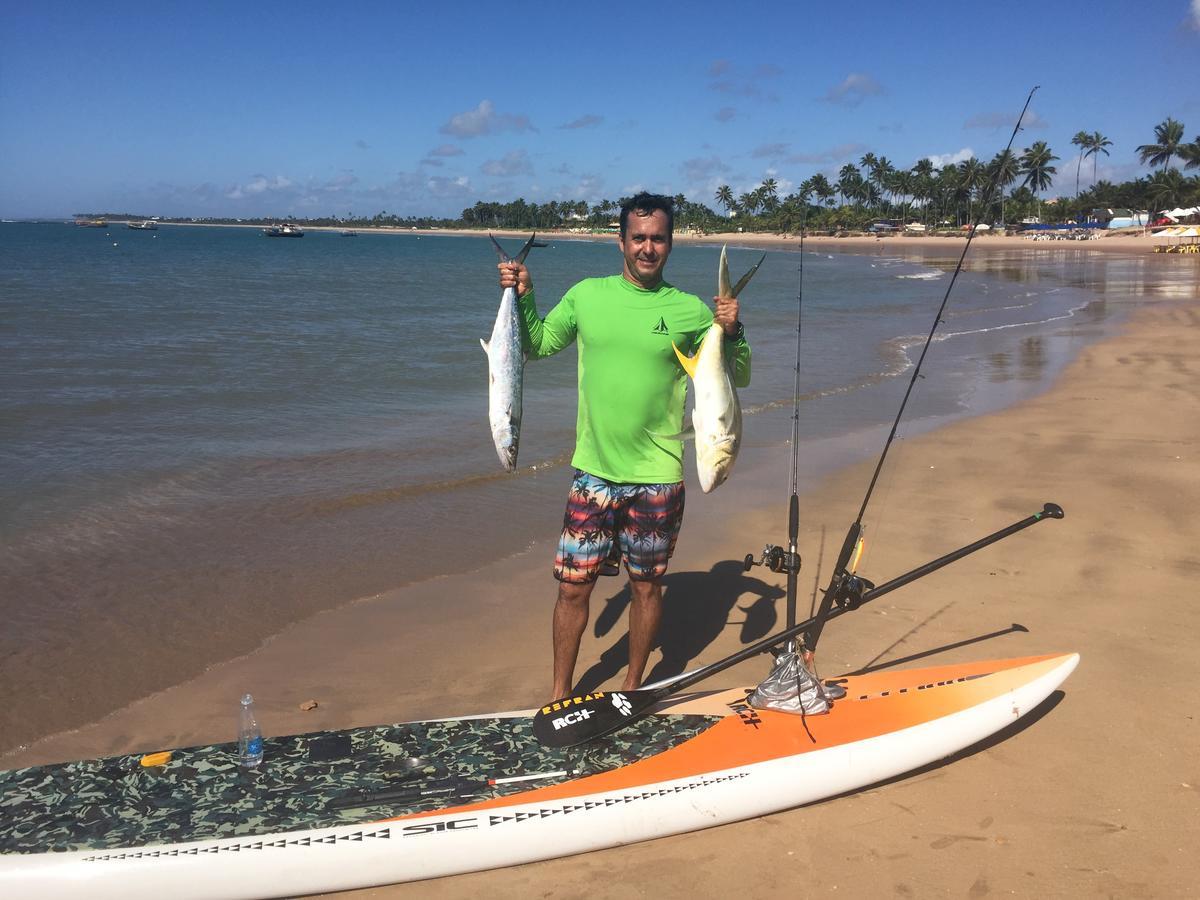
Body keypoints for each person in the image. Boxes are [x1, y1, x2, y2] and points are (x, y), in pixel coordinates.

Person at [497, 192, 751, 700]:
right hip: (593, 472)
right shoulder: (587, 295)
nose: (648, 248)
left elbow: (736, 377)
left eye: (658, 238)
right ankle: (559, 693)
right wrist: (524, 295)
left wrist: (732, 330)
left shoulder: (689, 310)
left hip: (658, 476)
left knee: (647, 588)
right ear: (621, 241)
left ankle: (632, 689)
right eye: (638, 238)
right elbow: (537, 344)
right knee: (572, 588)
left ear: (670, 244)